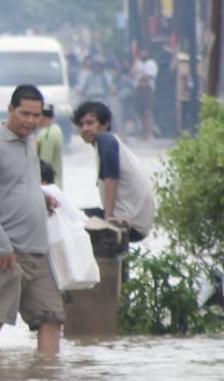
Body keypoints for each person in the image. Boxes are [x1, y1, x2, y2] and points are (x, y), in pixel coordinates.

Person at [0, 84, 64, 354]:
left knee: (51, 317)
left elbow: (22, 183)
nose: (31, 121)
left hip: (38, 249)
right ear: (10, 110)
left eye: (36, 115)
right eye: (24, 114)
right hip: (5, 253)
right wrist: (2, 245)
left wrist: (42, 197)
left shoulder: (29, 143)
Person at [73, 100, 156, 242]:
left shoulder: (104, 139)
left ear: (105, 124)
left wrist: (108, 217)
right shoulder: (110, 141)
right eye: (81, 125)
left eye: (90, 123)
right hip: (136, 220)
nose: (85, 128)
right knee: (73, 213)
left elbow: (111, 178)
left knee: (70, 220)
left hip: (130, 221)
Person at [129, 47, 158, 140]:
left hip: (147, 90)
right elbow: (131, 75)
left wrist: (140, 77)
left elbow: (147, 77)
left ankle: (150, 134)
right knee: (141, 113)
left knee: (148, 113)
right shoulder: (138, 63)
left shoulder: (151, 63)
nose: (143, 53)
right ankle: (144, 133)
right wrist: (135, 63)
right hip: (138, 89)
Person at [35, 104, 64, 187]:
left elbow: (44, 166)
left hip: (48, 186)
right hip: (56, 185)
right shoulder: (56, 129)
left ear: (41, 116)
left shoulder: (46, 135)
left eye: (36, 115)